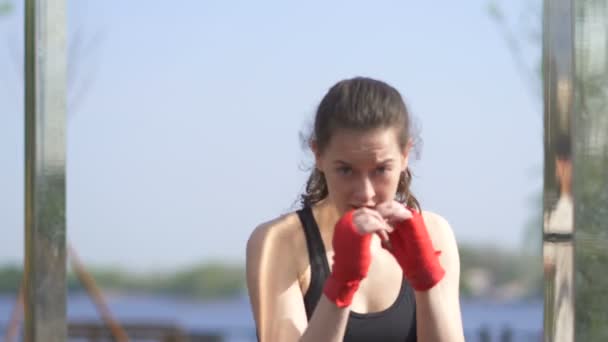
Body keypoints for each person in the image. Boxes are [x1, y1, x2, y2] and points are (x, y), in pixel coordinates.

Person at [246, 77, 464, 341]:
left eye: (381, 169)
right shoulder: (279, 241)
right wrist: (342, 282)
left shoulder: (435, 233)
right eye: (346, 170)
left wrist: (426, 282)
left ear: (405, 155)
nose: (365, 193)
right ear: (318, 155)